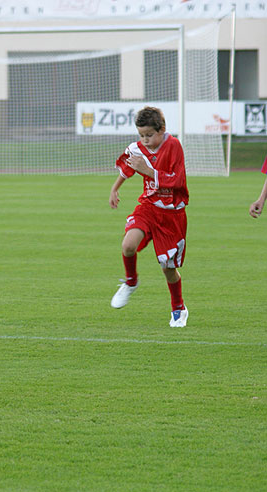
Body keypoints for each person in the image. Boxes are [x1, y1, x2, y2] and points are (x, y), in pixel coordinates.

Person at [108, 106, 189, 327]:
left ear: (162, 129)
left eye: (150, 135)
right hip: (149, 207)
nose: (145, 140)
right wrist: (115, 189)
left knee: (168, 268)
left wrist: (149, 171)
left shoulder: (173, 146)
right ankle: (131, 282)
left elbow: (178, 180)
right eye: (141, 135)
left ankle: (178, 308)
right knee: (128, 245)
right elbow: (127, 167)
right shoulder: (138, 148)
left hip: (172, 214)